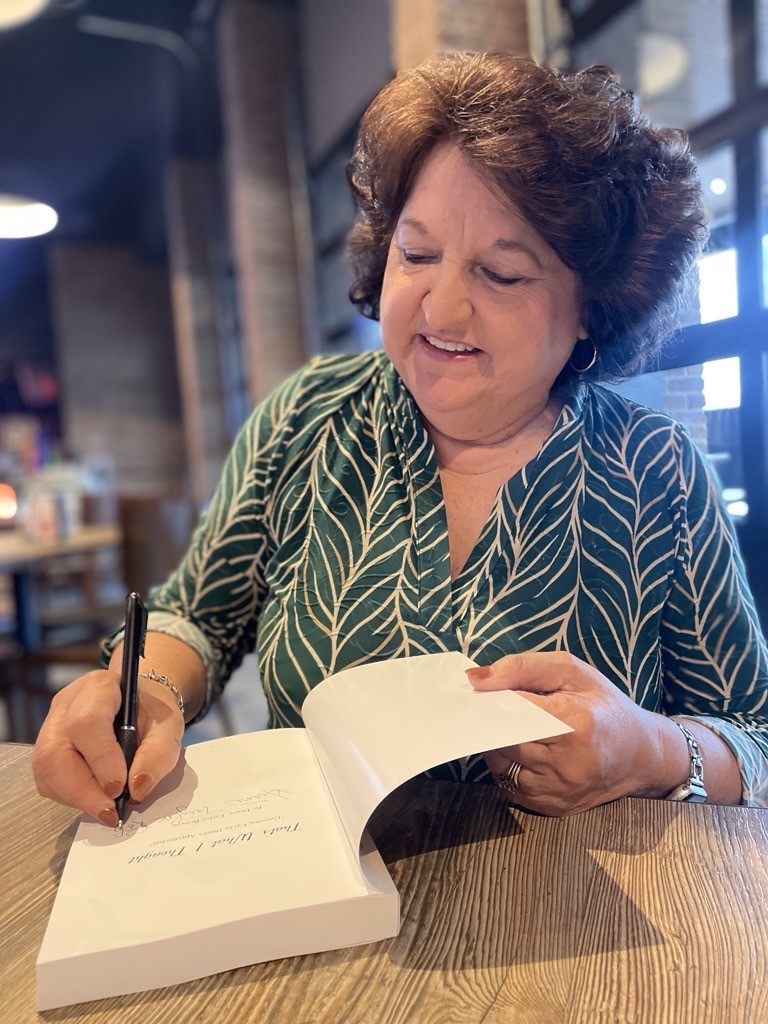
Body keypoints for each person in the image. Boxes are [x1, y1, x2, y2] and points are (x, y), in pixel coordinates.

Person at [33, 52, 768, 825]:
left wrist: (651, 752)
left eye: (504, 274)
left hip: (587, 925)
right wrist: (145, 690)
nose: (441, 311)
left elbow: (755, 738)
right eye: (417, 254)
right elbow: (198, 618)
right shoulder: (309, 419)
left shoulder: (656, 471)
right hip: (323, 908)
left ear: (593, 304)